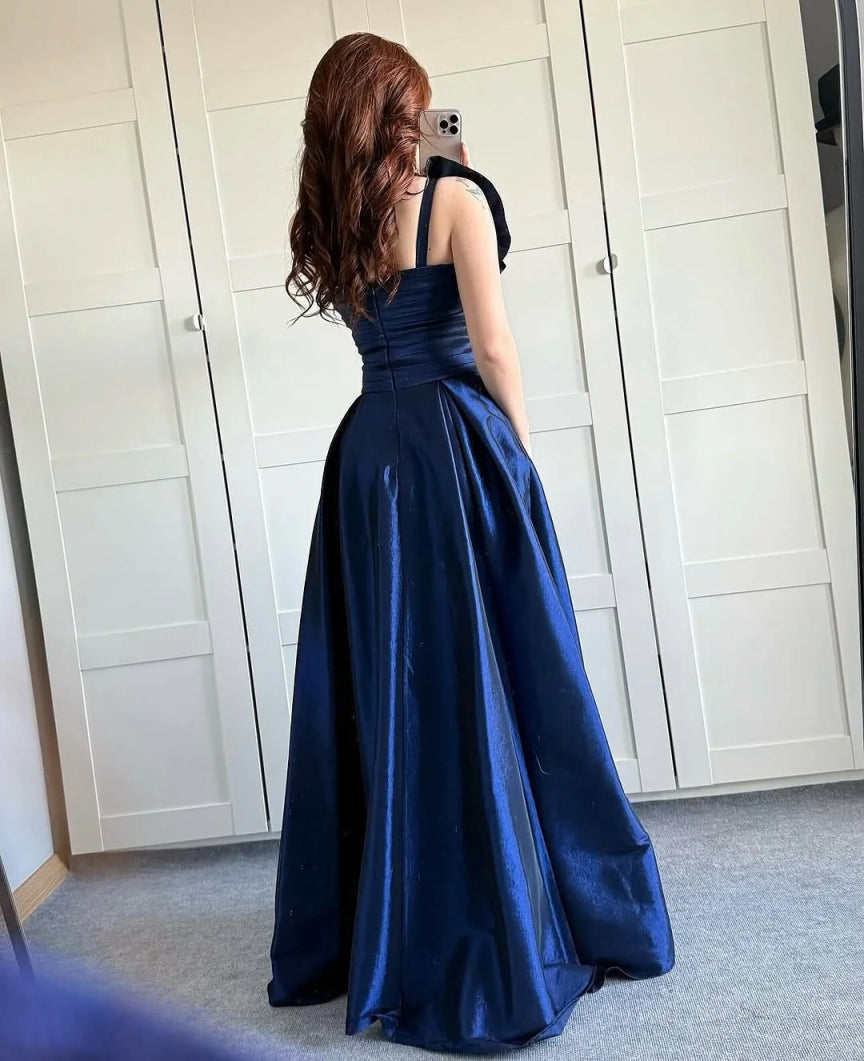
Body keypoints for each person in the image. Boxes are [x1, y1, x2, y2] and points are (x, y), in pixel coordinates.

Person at [268, 31, 674, 1054]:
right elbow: (492, 345)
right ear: (401, 112)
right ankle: (516, 909)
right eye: (418, 105)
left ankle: (401, 916)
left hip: (369, 457)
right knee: (504, 666)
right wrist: (520, 458)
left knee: (397, 681)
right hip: (455, 447)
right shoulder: (455, 195)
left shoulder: (335, 211)